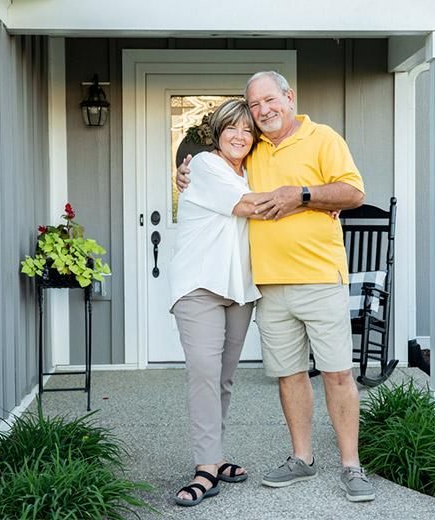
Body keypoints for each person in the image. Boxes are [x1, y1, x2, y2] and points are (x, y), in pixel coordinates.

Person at [177, 71, 375, 502]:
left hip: (320, 276)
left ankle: (351, 466)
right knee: (289, 375)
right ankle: (301, 458)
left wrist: (303, 195)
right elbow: (217, 175)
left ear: (288, 97)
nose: (262, 112)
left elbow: (353, 192)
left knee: (338, 374)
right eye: (253, 106)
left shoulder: (323, 138)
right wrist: (184, 173)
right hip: (267, 284)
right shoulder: (252, 150)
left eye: (270, 101)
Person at [170, 98, 307, 506]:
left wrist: (310, 201)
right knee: (204, 374)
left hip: (239, 289)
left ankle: (213, 457)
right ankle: (205, 470)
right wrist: (313, 203)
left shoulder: (251, 170)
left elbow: (270, 194)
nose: (240, 136)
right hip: (199, 286)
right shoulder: (206, 165)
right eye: (232, 128)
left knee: (223, 378)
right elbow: (252, 207)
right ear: (218, 132)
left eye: (248, 130)